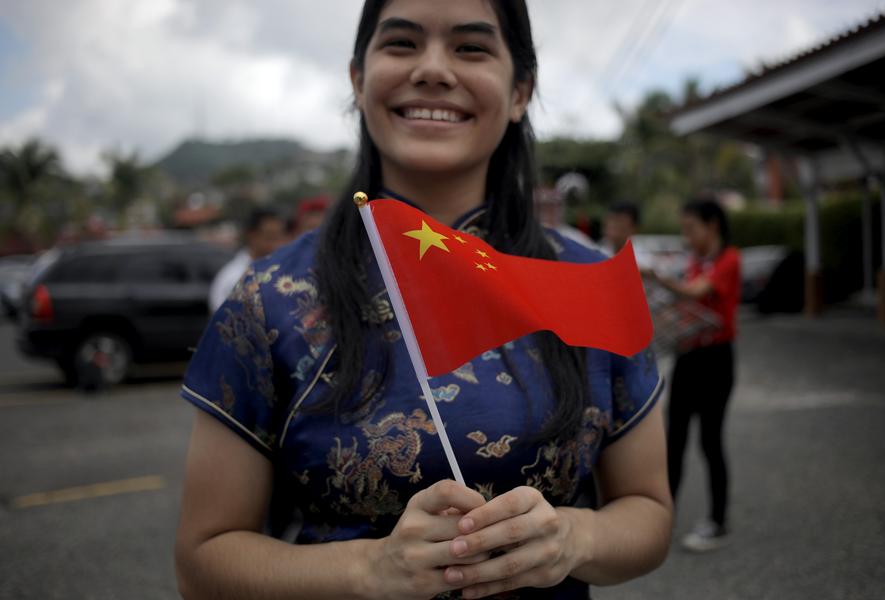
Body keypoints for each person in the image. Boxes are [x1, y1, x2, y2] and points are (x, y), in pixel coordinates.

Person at [175, 2, 672, 599]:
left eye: (471, 48)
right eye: (403, 43)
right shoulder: (269, 299)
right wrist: (368, 570)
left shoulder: (589, 283)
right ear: (358, 80)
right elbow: (203, 561)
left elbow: (648, 512)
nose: (434, 69)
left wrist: (575, 538)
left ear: (520, 92)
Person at [648, 198, 740, 553]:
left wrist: (659, 278)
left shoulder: (728, 260)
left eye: (691, 229)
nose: (687, 237)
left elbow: (697, 292)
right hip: (688, 356)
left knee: (710, 441)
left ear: (712, 225)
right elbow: (685, 309)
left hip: (717, 360)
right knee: (675, 441)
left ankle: (718, 521)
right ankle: (661, 520)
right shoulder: (694, 262)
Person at [208, 208, 288, 312]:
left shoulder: (280, 270)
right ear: (252, 236)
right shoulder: (235, 278)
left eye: (280, 236)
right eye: (271, 237)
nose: (279, 244)